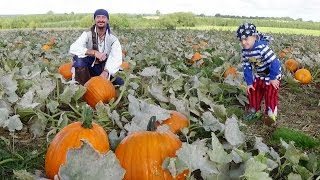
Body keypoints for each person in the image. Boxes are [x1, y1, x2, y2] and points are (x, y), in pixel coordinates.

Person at [236, 22, 282, 124]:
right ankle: (254, 110)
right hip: (260, 74)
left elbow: (275, 62)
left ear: (254, 37)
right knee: (253, 91)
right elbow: (247, 67)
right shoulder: (245, 51)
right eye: (241, 40)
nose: (243, 42)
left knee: (270, 94)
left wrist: (273, 78)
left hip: (272, 74)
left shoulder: (262, 48)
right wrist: (249, 83)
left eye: (246, 39)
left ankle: (271, 115)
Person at [69, 9, 124, 86]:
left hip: (103, 66)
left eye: (103, 17)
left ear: (107, 20)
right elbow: (73, 48)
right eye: (98, 17)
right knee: (78, 60)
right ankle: (82, 88)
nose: (101, 20)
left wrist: (106, 71)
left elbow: (116, 58)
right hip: (89, 66)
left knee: (120, 82)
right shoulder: (87, 34)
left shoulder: (113, 38)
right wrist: (94, 52)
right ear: (95, 19)